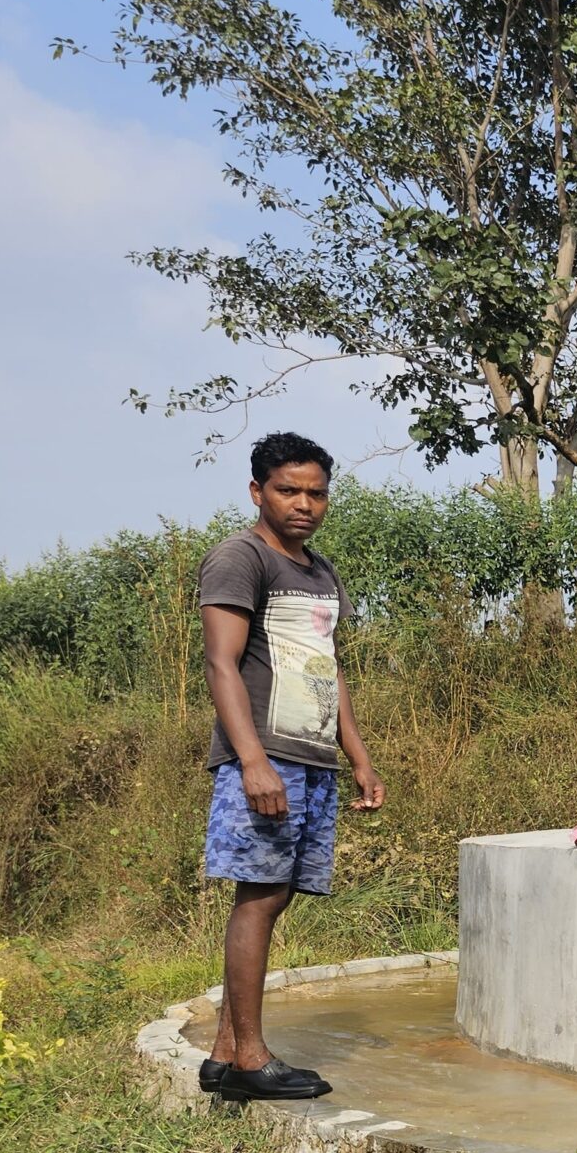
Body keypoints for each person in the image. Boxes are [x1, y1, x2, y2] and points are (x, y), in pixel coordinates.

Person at [197, 432, 386, 1101]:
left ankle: (224, 1053)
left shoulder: (320, 572)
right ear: (258, 492)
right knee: (261, 893)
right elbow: (222, 663)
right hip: (266, 754)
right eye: (288, 490)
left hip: (312, 756)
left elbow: (325, 669)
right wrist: (252, 762)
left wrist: (358, 757)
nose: (304, 503)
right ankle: (250, 1057)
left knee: (276, 894)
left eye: (316, 492)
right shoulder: (239, 558)